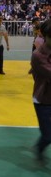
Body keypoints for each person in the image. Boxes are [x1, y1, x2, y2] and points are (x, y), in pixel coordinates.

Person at [31, 19, 51, 162]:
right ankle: (39, 147)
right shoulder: (38, 55)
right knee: (48, 135)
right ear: (44, 36)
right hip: (43, 100)